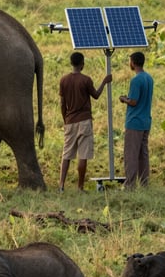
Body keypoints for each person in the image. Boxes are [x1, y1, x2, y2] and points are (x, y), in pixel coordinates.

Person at [59, 51, 112, 191]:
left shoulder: (63, 80)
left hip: (69, 121)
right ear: (82, 64)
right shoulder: (86, 80)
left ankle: (61, 185)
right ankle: (80, 187)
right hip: (84, 121)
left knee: (67, 154)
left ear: (71, 63)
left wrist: (66, 119)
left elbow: (62, 104)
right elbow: (95, 95)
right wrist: (104, 82)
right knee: (83, 155)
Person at [118, 51, 154, 189]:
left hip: (134, 122)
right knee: (143, 154)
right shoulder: (149, 78)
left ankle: (130, 185)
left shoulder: (136, 80)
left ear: (133, 62)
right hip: (146, 121)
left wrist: (123, 99)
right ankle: (144, 183)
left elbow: (133, 101)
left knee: (131, 155)